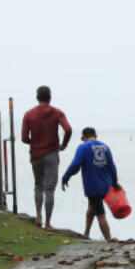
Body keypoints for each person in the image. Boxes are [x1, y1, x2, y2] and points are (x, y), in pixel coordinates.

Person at [21, 85, 72, 229]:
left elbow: (24, 138)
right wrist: (63, 145)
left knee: (38, 185)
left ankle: (38, 216)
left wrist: (34, 142)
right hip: (51, 153)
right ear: (50, 97)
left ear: (37, 97)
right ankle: (48, 223)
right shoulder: (57, 113)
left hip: (36, 154)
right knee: (49, 188)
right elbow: (68, 129)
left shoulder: (29, 114)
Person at [61, 126, 120, 241]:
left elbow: (75, 164)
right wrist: (115, 182)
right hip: (105, 185)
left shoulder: (83, 147)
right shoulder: (105, 147)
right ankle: (86, 233)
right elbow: (112, 167)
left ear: (84, 137)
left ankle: (109, 240)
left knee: (100, 215)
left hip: (93, 187)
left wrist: (65, 177)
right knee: (91, 208)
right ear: (95, 136)